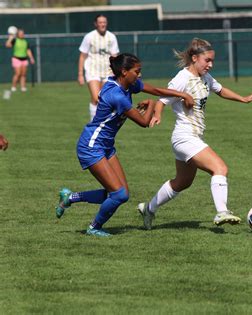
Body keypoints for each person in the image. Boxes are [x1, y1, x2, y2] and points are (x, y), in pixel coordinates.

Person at [55, 53, 194, 237]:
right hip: (91, 146)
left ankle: (70, 197)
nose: (140, 75)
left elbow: (157, 91)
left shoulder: (128, 84)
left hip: (105, 146)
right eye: (137, 71)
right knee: (118, 195)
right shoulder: (116, 95)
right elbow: (144, 122)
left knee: (121, 194)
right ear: (124, 71)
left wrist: (182, 94)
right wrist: (152, 104)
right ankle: (94, 227)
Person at [137, 38, 252, 230]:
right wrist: (158, 115)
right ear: (194, 58)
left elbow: (220, 90)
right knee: (220, 168)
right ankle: (222, 211)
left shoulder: (204, 78)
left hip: (191, 138)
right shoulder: (182, 78)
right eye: (207, 60)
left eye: (212, 61)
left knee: (182, 182)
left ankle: (149, 209)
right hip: (184, 137)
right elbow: (163, 100)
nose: (210, 65)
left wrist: (243, 99)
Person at [78, 14, 120, 121]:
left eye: (104, 22)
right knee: (96, 97)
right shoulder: (89, 37)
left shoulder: (112, 37)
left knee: (104, 99)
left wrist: (117, 73)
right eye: (100, 22)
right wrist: (80, 74)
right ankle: (94, 121)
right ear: (96, 24)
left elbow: (115, 56)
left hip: (107, 71)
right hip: (92, 70)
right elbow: (82, 56)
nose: (102, 24)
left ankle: (102, 120)